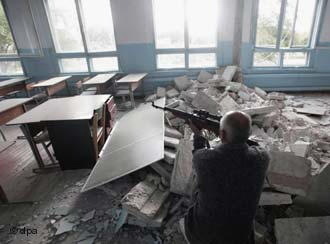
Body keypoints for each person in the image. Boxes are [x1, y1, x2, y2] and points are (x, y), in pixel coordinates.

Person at [180, 111, 269, 244]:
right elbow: (256, 147)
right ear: (249, 133)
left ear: (222, 134)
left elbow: (198, 153)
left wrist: (198, 135)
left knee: (197, 186)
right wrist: (233, 135)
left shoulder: (205, 160)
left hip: (202, 237)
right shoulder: (262, 158)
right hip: (240, 238)